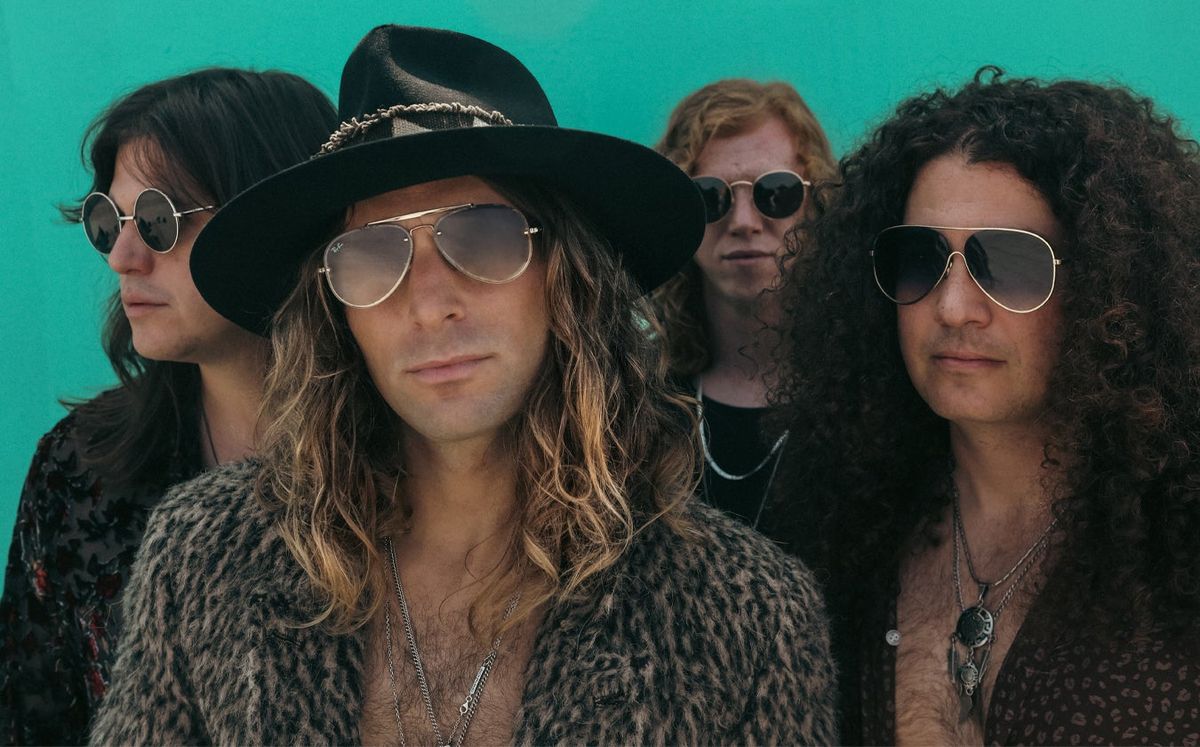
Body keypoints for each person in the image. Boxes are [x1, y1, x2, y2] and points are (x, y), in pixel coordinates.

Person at [89, 25, 836, 745]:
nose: (428, 304)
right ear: (335, 312)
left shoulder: (747, 615)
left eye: (483, 236)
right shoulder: (204, 557)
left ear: (568, 277)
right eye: (372, 254)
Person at [777, 67, 1200, 744]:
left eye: (1007, 262)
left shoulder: (1177, 543)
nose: (953, 308)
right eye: (920, 258)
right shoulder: (837, 526)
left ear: (1111, 287)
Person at [0, 69, 336, 744]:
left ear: (275, 221)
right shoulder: (80, 471)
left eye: (159, 220)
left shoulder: (418, 467)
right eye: (107, 222)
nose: (122, 257)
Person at [651, 79, 835, 538]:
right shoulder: (633, 393)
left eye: (776, 191)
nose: (744, 221)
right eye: (711, 196)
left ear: (817, 206)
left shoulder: (868, 390)